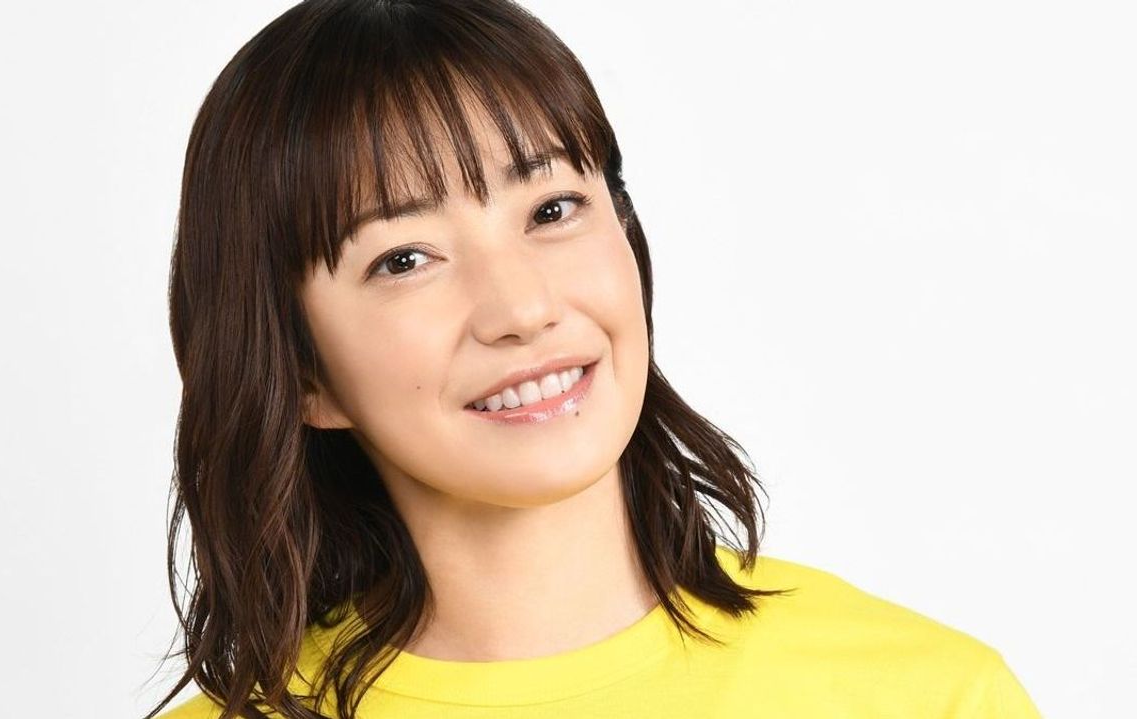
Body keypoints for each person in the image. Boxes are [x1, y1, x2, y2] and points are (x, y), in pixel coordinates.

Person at [146, 1, 1042, 717]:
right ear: (303, 372)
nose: (523, 309)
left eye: (551, 210)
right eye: (405, 259)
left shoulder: (926, 696)